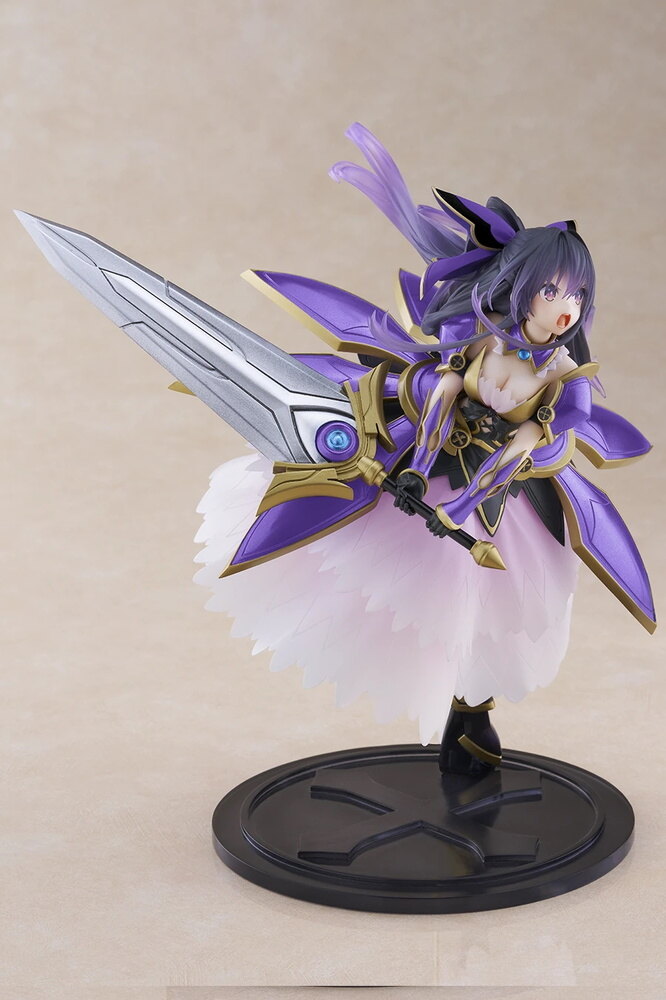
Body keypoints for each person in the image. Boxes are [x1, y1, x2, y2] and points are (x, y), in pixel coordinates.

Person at [194, 124, 654, 773]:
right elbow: (440, 384)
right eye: (552, 291)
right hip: (426, 468)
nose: (564, 308)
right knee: (386, 579)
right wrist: (417, 453)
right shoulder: (479, 339)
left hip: (494, 504)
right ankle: (449, 700)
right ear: (520, 286)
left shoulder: (561, 373)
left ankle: (470, 716)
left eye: (576, 295)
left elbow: (556, 429)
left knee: (487, 612)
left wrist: (502, 468)